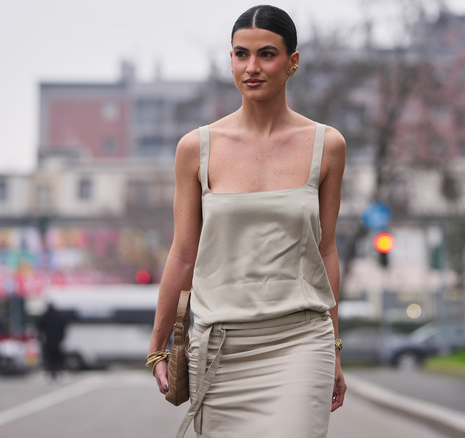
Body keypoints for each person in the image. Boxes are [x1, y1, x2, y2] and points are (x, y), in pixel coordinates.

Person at [147, 5, 347, 437]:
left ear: (293, 62)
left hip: (300, 340)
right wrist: (157, 345)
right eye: (241, 54)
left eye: (267, 54)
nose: (251, 67)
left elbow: (326, 249)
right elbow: (183, 253)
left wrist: (334, 345)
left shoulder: (326, 146)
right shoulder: (195, 149)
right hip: (219, 347)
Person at [37, 302, 67, 381]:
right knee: (57, 359)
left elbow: (39, 328)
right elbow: (63, 328)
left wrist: (41, 339)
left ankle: (50, 371)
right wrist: (61, 338)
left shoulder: (45, 316)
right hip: (56, 341)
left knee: (49, 359)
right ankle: (57, 371)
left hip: (48, 341)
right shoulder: (58, 317)